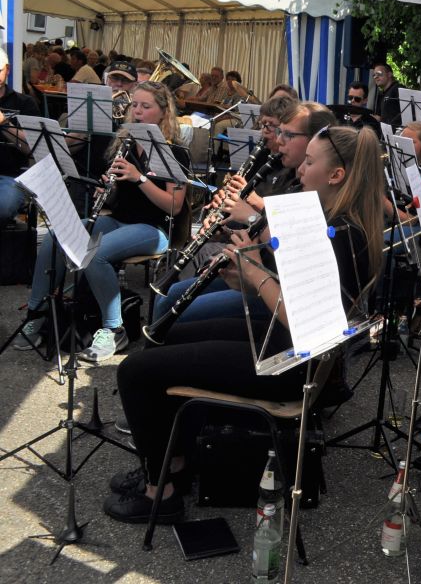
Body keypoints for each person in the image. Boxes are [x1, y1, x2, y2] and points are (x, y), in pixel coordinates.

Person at [105, 123, 384, 524]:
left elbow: (306, 323)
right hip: (284, 346)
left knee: (134, 371)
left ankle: (159, 493)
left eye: (309, 162)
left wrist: (253, 269)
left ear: (336, 175)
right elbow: (288, 293)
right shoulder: (329, 221)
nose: (300, 170)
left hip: (291, 365)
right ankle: (173, 463)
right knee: (167, 338)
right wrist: (245, 278)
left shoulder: (341, 234)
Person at [13, 81, 190, 362]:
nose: (137, 112)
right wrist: (107, 189)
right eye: (135, 105)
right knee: (56, 237)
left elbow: (174, 205)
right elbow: (119, 199)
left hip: (154, 228)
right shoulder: (126, 144)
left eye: (146, 106)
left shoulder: (174, 153)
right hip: (119, 220)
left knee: (95, 255)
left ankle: (113, 329)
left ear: (163, 112)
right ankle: (38, 313)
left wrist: (139, 178)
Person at [151, 102, 336, 325]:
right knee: (171, 297)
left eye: (287, 134)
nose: (278, 140)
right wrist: (227, 231)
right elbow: (260, 234)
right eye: (277, 131)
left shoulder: (311, 189)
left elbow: (291, 252)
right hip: (255, 271)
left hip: (274, 288)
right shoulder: (288, 175)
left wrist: (250, 214)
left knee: (179, 316)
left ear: (314, 140)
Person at [0, 48, 42, 224]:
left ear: (7, 70)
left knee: (3, 207)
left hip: (11, 175)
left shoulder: (24, 103)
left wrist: (4, 124)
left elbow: (34, 147)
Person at [370, 62, 402, 128]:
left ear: (389, 74)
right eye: (374, 75)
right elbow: (381, 117)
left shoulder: (398, 88)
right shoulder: (381, 94)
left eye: (379, 74)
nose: (376, 77)